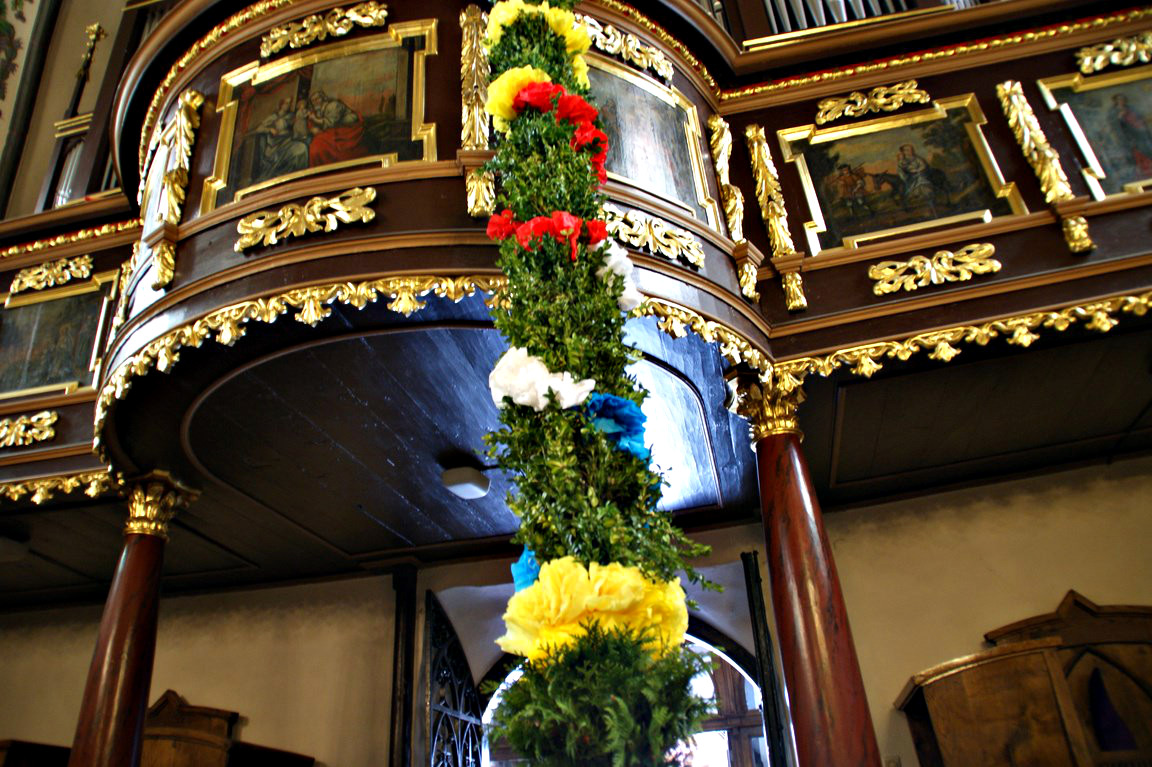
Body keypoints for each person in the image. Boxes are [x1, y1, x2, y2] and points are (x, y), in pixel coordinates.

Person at [252, 98, 310, 179]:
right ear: (281, 105)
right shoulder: (273, 117)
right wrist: (269, 129)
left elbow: (299, 127)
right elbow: (259, 129)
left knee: (302, 147)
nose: (288, 105)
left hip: (288, 142)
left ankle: (298, 175)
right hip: (275, 146)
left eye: (289, 104)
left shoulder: (291, 116)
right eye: (286, 103)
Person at [305, 90, 366, 166]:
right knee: (319, 141)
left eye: (317, 99)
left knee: (322, 142)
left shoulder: (333, 106)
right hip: (336, 128)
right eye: (313, 100)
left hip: (349, 129)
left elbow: (330, 123)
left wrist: (315, 119)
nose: (315, 102)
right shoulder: (319, 109)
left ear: (324, 98)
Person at [1110, 93, 1152, 177]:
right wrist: (1119, 117)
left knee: (1146, 148)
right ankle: (1142, 170)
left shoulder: (1131, 108)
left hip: (1140, 132)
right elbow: (1115, 125)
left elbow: (1140, 118)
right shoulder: (1113, 112)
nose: (1121, 101)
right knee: (1136, 152)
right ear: (1116, 101)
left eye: (1122, 99)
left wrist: (1141, 125)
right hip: (1129, 136)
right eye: (1119, 100)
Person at [897, 144, 937, 216]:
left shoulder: (917, 159)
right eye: (907, 150)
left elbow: (923, 165)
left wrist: (917, 170)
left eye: (910, 149)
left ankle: (930, 201)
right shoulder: (901, 162)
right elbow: (900, 172)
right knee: (906, 190)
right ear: (903, 152)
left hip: (921, 175)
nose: (910, 151)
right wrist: (905, 177)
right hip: (910, 178)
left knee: (925, 185)